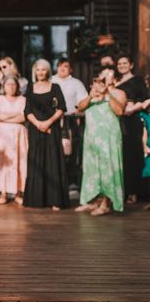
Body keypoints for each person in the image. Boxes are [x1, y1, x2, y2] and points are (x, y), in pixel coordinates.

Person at [75, 67, 126, 215]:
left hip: (109, 137)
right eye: (102, 74)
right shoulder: (92, 94)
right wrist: (91, 96)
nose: (104, 77)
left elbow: (120, 111)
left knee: (108, 169)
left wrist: (107, 94)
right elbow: (80, 108)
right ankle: (92, 201)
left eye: (108, 75)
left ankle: (106, 203)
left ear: (115, 79)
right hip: (92, 137)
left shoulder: (118, 93)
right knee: (91, 170)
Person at [23, 59, 69, 210]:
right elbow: (27, 111)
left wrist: (47, 123)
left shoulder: (55, 87)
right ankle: (36, 200)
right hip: (35, 129)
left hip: (52, 128)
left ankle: (55, 200)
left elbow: (62, 108)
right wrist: (38, 124)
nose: (40, 72)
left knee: (53, 160)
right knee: (37, 161)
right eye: (38, 70)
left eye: (43, 69)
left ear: (48, 71)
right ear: (34, 71)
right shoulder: (31, 88)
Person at [0, 75, 28, 205]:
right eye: (8, 84)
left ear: (17, 86)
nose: (11, 87)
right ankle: (3, 193)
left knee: (19, 162)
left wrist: (6, 117)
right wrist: (13, 115)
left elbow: (23, 117)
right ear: (3, 86)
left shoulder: (22, 99)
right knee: (3, 162)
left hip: (19, 136)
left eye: (13, 84)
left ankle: (18, 193)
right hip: (2, 136)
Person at [115, 56, 149, 204]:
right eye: (119, 63)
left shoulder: (137, 81)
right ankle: (120, 191)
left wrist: (133, 108)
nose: (122, 66)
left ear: (131, 65)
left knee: (132, 155)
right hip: (116, 121)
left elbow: (147, 99)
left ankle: (133, 192)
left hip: (132, 120)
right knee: (119, 155)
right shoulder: (114, 82)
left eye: (125, 63)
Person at [51, 58, 88, 187]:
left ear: (70, 69)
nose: (62, 68)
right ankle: (55, 181)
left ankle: (71, 182)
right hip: (53, 121)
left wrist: (78, 111)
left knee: (71, 152)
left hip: (70, 121)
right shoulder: (51, 81)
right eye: (59, 66)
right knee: (54, 151)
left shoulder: (76, 83)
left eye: (65, 66)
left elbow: (83, 102)